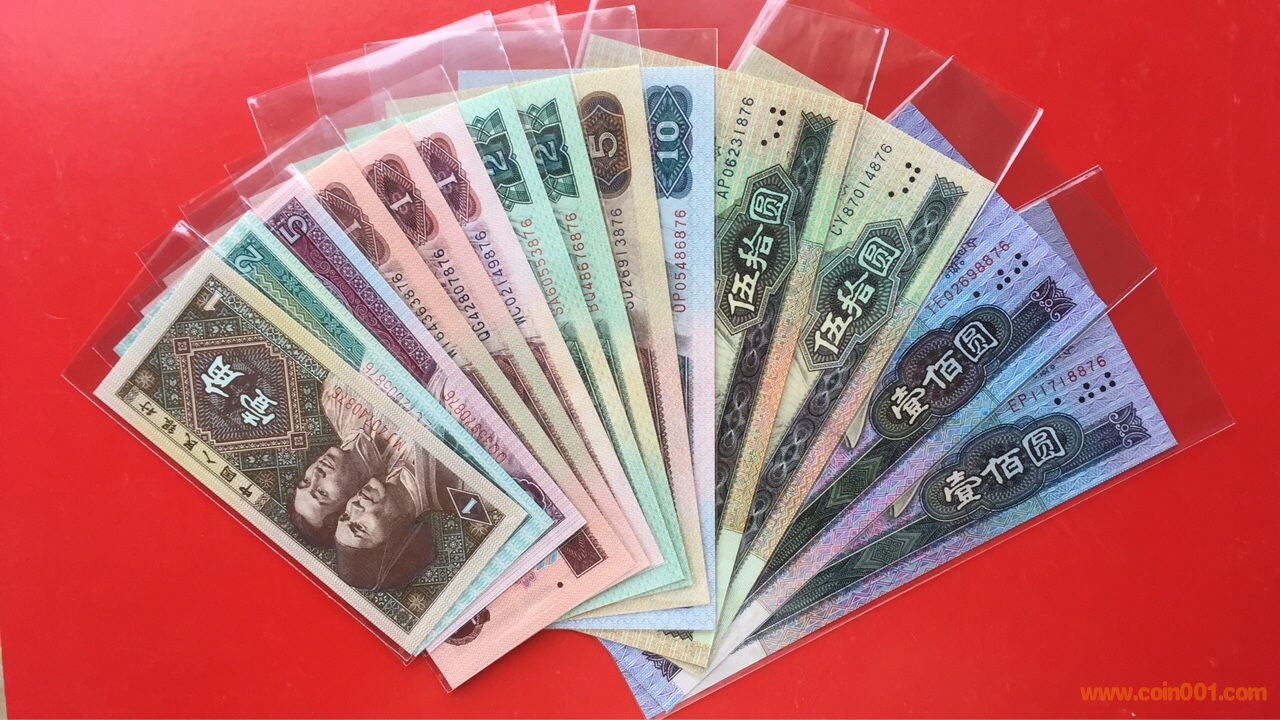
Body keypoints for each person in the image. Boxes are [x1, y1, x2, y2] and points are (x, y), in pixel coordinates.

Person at [335, 446, 466, 591]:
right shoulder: (457, 490)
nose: (354, 507)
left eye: (345, 516)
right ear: (395, 538)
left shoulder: (374, 449)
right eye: (359, 527)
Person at [289, 378, 398, 548]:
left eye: (306, 481)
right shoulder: (410, 462)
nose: (316, 473)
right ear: (347, 506)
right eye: (322, 492)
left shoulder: (332, 400)